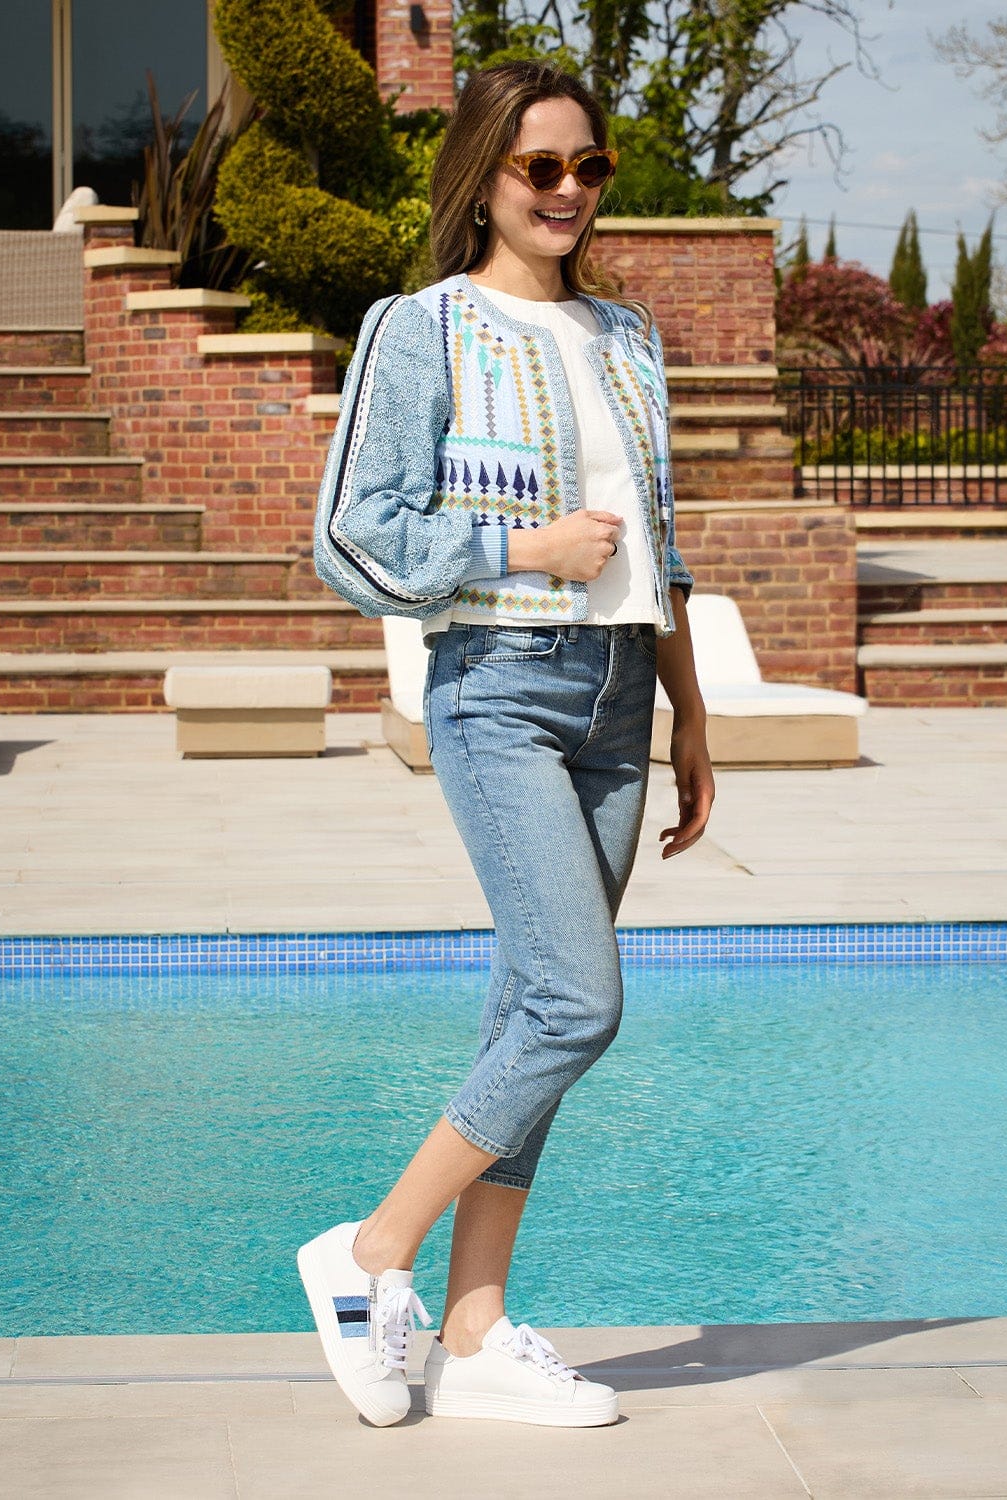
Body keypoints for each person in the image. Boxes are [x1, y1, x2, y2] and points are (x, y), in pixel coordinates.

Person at [300, 58, 715, 1429]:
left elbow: (660, 547)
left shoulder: (630, 337)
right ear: (484, 176)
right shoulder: (422, 328)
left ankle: (474, 1334)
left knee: (528, 1010)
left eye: (591, 165)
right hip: (501, 689)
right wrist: (522, 548)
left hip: (621, 700)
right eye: (543, 165)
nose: (569, 189)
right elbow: (353, 532)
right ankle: (371, 1253)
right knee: (576, 1004)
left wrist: (691, 713)